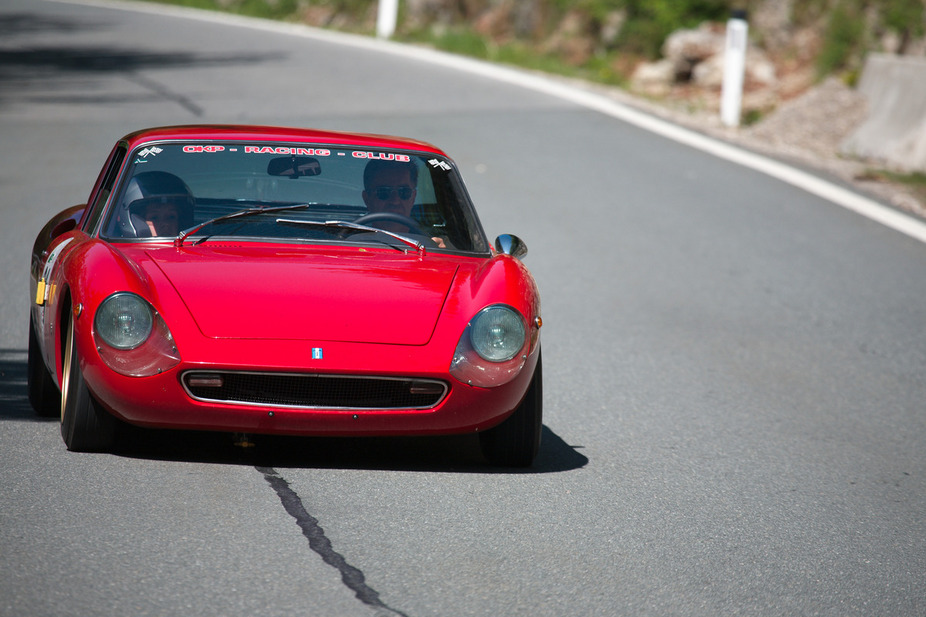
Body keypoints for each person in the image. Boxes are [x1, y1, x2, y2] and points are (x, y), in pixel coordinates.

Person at [361, 159, 446, 248]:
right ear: (367, 199)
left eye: (404, 192)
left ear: (413, 197)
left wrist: (440, 252)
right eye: (383, 192)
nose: (395, 201)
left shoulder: (433, 241)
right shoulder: (347, 239)